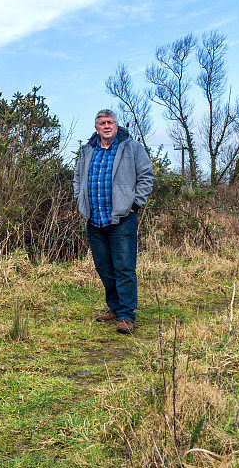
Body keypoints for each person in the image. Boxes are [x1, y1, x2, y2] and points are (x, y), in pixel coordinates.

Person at [73, 109, 154, 334]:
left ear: (116, 126)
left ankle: (127, 315)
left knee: (125, 267)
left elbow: (146, 176)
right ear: (96, 128)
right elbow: (77, 179)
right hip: (95, 219)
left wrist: (135, 204)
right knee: (104, 267)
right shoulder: (87, 150)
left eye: (110, 122)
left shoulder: (132, 147)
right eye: (102, 123)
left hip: (122, 218)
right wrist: (81, 202)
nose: (106, 126)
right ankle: (115, 308)